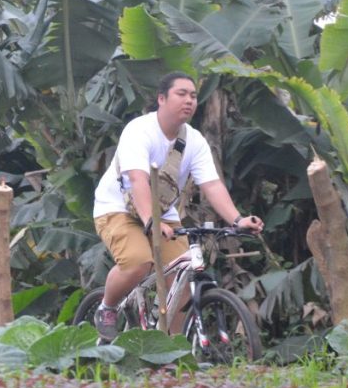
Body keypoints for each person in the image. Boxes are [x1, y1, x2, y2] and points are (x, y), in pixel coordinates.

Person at [91, 72, 264, 341]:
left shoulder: (194, 141)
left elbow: (212, 185)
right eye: (181, 94)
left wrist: (238, 220)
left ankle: (172, 350)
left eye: (193, 96)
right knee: (138, 262)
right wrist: (151, 222)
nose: (189, 100)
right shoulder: (140, 130)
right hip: (118, 208)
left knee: (183, 278)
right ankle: (107, 308)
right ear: (161, 99)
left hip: (163, 213)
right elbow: (137, 179)